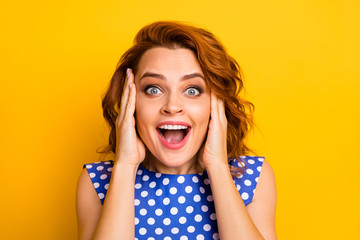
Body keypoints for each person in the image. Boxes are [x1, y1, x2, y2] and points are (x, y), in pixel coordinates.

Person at [76, 21, 277, 240]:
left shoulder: (251, 177)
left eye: (192, 90)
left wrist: (216, 165)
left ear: (217, 103)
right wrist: (126, 166)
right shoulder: (97, 181)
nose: (172, 106)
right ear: (130, 102)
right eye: (153, 89)